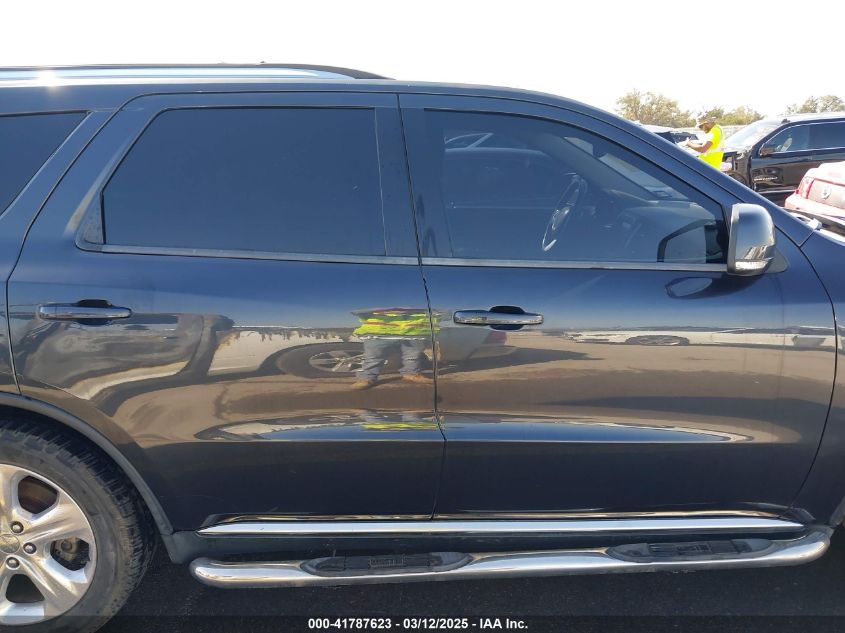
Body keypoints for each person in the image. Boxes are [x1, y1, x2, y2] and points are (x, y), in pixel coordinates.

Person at [350, 307, 434, 390]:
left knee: (413, 356)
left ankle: (412, 374)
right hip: (378, 330)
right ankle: (367, 378)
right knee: (373, 357)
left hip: (413, 330)